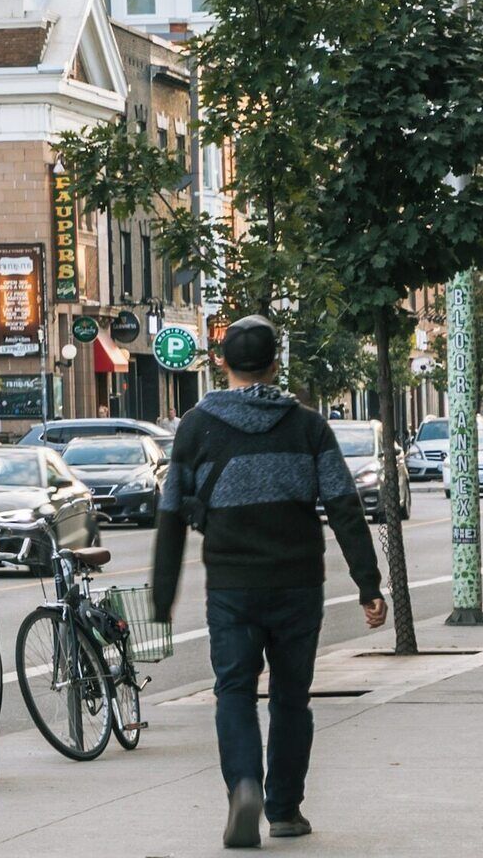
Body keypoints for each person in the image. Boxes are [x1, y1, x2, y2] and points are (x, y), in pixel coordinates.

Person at [150, 314, 386, 848]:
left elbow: (169, 515)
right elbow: (345, 508)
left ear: (222, 363)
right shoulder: (307, 425)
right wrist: (368, 585)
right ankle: (284, 810)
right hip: (298, 583)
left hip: (231, 585)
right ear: (276, 363)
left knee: (233, 691)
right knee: (290, 696)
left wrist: (162, 598)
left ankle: (243, 787)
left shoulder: (194, 426)